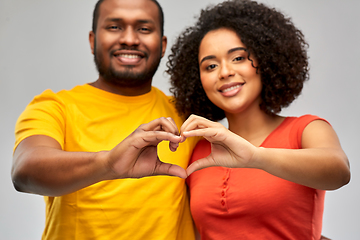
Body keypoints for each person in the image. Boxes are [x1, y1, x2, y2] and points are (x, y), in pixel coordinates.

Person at [11, 0, 198, 239]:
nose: (129, 39)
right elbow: (24, 170)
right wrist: (109, 164)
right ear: (92, 40)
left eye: (144, 28)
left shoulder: (187, 114)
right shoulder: (56, 106)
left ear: (162, 45)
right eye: (114, 27)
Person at [166, 0, 351, 239]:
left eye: (239, 58)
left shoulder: (305, 129)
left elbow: (339, 172)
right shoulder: (199, 150)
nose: (224, 72)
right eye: (210, 66)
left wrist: (255, 156)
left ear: (266, 60)